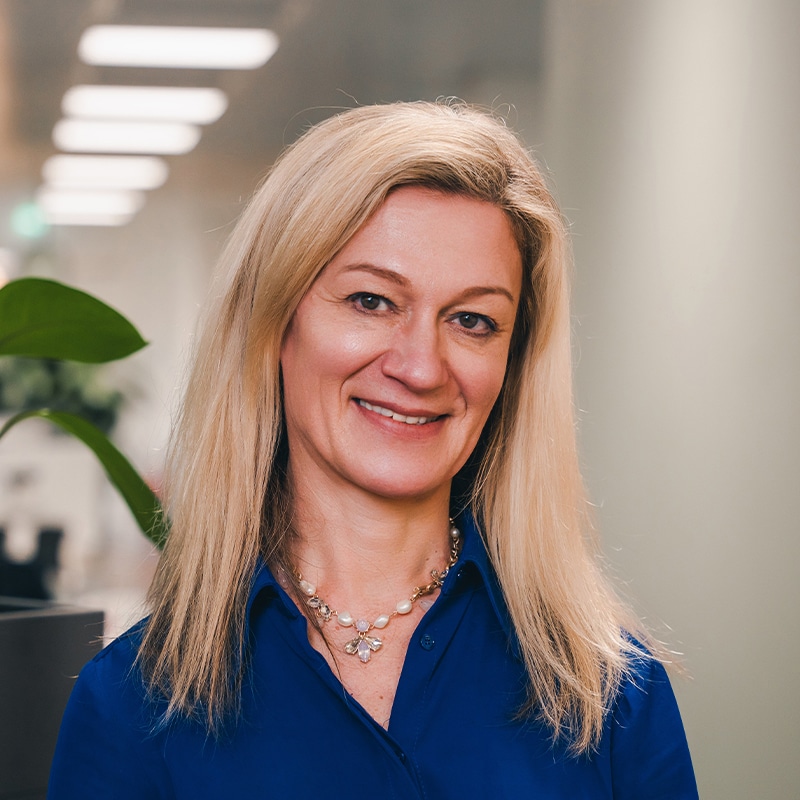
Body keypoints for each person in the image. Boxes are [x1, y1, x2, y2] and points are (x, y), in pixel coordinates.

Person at [48, 101, 698, 798]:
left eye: (473, 320)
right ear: (275, 324)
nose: (421, 367)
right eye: (371, 301)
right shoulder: (133, 704)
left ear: (511, 367)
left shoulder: (613, 696)